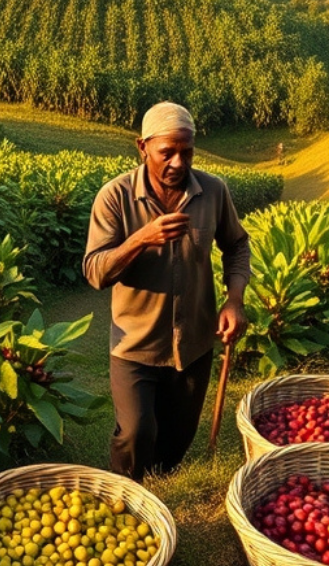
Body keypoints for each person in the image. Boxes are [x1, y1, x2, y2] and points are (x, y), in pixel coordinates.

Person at [83, 102, 251, 480]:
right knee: (137, 431)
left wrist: (234, 300)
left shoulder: (212, 192)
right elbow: (95, 272)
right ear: (142, 147)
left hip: (194, 342)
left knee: (178, 436)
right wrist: (141, 239)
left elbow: (237, 245)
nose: (178, 162)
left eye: (187, 152)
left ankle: (159, 492)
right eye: (167, 152)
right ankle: (125, 490)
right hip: (135, 345)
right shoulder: (116, 196)